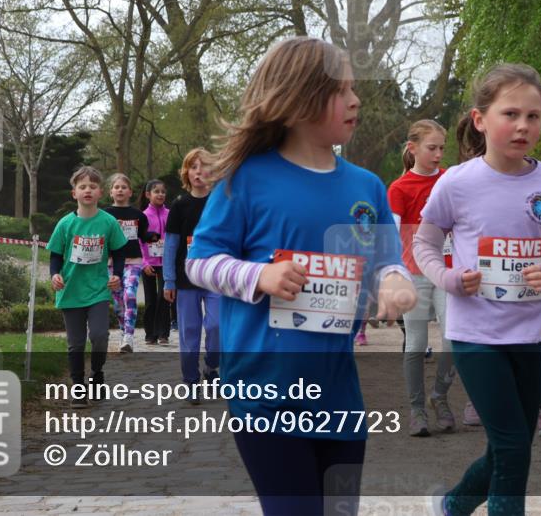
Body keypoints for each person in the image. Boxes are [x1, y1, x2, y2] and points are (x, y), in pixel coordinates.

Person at [185, 36, 417, 516]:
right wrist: (259, 276)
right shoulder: (245, 179)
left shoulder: (367, 186)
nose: (355, 100)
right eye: (340, 91)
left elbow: (385, 263)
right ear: (295, 101)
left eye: (354, 88)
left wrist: (394, 283)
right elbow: (199, 263)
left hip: (339, 397)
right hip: (263, 396)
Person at [413, 63, 541, 516]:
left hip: (528, 334)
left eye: (534, 116)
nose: (523, 126)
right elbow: (424, 242)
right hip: (475, 335)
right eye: (511, 114)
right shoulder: (457, 182)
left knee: (517, 443)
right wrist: (448, 279)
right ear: (481, 119)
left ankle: (452, 505)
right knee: (510, 446)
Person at [388, 119, 459, 437]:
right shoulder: (399, 188)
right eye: (432, 148)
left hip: (447, 271)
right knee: (415, 344)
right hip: (415, 273)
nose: (438, 154)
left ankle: (439, 398)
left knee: (453, 341)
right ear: (413, 148)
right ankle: (416, 410)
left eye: (442, 148)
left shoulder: (451, 180)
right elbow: (391, 235)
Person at [47, 165, 127, 408]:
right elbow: (55, 256)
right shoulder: (65, 224)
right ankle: (78, 387)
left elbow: (120, 251)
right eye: (82, 187)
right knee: (76, 343)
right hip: (71, 290)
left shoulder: (109, 222)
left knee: (100, 336)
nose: (87, 190)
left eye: (92, 186)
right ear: (75, 193)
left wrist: (118, 275)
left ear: (100, 192)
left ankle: (97, 373)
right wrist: (54, 275)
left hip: (98, 290)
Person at [163, 148, 219, 405]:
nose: (198, 171)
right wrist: (169, 280)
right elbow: (171, 245)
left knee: (217, 326)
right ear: (187, 173)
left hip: (217, 277)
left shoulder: (222, 203)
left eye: (204, 166)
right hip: (186, 280)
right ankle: (191, 382)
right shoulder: (179, 205)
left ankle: (211, 366)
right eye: (193, 167)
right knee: (189, 331)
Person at [103, 173, 155, 353]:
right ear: (111, 192)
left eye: (123, 187)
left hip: (133, 261)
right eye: (116, 187)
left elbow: (143, 235)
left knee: (130, 294)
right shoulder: (105, 214)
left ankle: (129, 337)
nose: (120, 190)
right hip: (111, 263)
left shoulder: (138, 215)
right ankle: (123, 331)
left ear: (130, 192)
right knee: (118, 303)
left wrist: (152, 237)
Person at [140, 179, 171, 345]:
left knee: (164, 297)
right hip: (149, 264)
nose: (160, 194)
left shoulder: (170, 214)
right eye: (156, 191)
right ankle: (150, 334)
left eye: (163, 191)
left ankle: (163, 333)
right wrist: (144, 263)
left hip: (166, 264)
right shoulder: (144, 216)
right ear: (148, 195)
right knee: (151, 299)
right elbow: (139, 241)